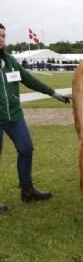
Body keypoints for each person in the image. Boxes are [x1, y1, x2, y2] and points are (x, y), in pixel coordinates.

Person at [0, 23, 71, 212]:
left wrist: (52, 93)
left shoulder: (10, 61)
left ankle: (27, 190)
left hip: (14, 115)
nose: (1, 39)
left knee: (26, 148)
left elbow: (29, 80)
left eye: (3, 36)